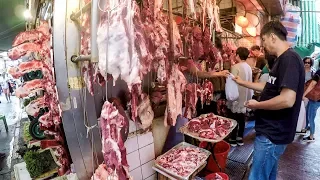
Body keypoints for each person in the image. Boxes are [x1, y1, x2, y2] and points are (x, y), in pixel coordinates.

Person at [233, 21, 304, 180]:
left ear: (272, 37)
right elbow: (269, 86)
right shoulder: (281, 59)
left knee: (257, 176)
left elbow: (287, 99)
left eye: (263, 40)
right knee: (268, 174)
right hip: (271, 132)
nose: (263, 45)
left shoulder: (289, 59)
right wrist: (242, 82)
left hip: (273, 134)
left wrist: (258, 105)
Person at [227, 47, 253, 147]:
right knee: (242, 118)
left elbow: (231, 83)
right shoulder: (248, 67)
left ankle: (233, 138)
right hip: (245, 95)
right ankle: (240, 138)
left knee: (234, 118)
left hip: (236, 96)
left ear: (237, 55)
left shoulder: (235, 67)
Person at [302, 68, 320, 142]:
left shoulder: (319, 72)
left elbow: (312, 84)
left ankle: (311, 136)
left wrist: (304, 94)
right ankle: (306, 128)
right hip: (317, 98)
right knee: (308, 113)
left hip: (315, 98)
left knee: (311, 116)